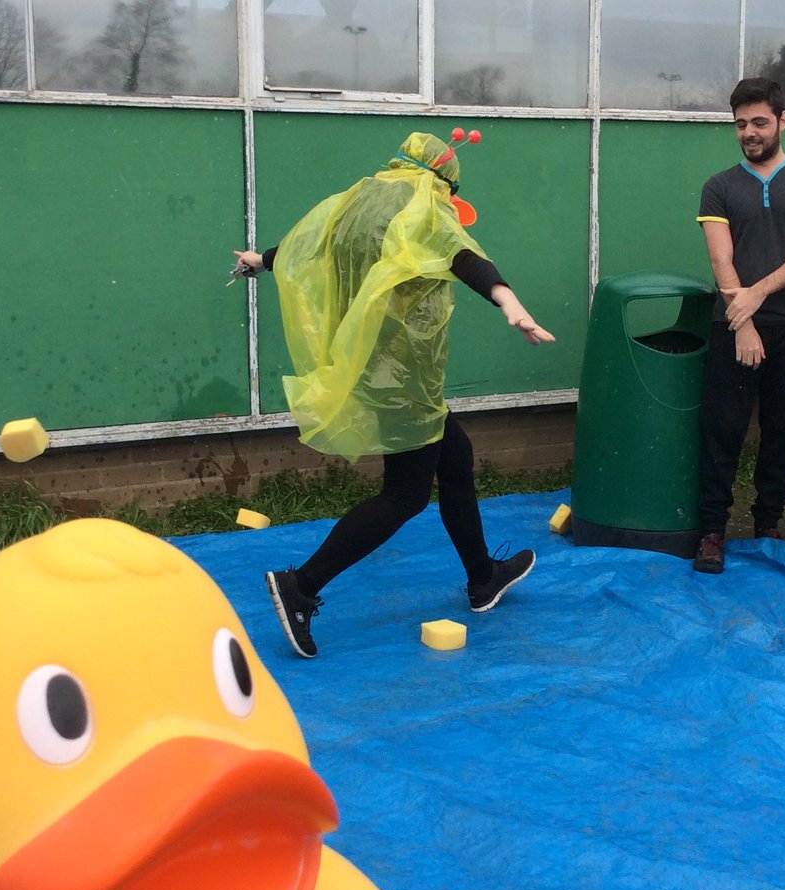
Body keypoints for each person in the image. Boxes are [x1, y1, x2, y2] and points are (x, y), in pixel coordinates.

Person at [232, 130, 555, 658]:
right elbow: (464, 257)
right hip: (404, 379)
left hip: (377, 369)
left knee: (456, 459)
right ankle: (301, 586)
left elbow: (304, 246)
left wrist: (260, 260)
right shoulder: (426, 210)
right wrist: (508, 301)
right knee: (403, 496)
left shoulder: (360, 202)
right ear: (444, 184)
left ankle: (482, 577)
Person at [693, 77, 785, 574]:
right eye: (740, 124)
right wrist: (744, 321)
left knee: (782, 432)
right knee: (722, 431)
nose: (750, 132)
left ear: (782, 120)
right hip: (734, 327)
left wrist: (758, 294)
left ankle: (769, 526)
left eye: (759, 122)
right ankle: (711, 530)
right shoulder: (718, 186)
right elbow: (721, 259)